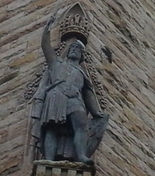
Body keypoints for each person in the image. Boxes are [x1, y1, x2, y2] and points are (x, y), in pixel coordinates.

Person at [31, 14, 106, 163]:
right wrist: (47, 29)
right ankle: (49, 159)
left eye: (77, 49)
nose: (74, 50)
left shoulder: (82, 73)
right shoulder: (56, 63)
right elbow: (46, 46)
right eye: (72, 47)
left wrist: (96, 112)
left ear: (81, 55)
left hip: (75, 99)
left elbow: (89, 94)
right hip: (56, 96)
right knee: (52, 128)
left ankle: (81, 155)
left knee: (81, 125)